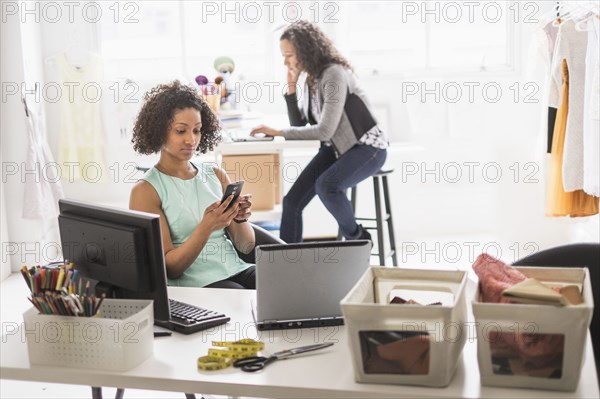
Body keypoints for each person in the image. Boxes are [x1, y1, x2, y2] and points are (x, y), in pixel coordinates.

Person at [250, 20, 388, 243]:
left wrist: (278, 131)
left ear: (306, 50)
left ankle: (359, 238)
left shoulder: (333, 74)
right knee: (292, 202)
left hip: (367, 147)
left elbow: (324, 130)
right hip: (336, 149)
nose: (285, 61)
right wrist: (292, 88)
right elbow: (300, 123)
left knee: (327, 185)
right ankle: (285, 262)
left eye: (289, 55)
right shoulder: (311, 78)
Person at [130, 80, 256, 289]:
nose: (191, 140)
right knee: (242, 299)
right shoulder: (145, 191)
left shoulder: (215, 174)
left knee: (280, 283)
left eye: (196, 130)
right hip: (196, 284)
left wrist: (241, 220)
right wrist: (206, 227)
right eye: (181, 131)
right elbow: (170, 268)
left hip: (237, 269)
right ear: (158, 132)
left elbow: (246, 247)